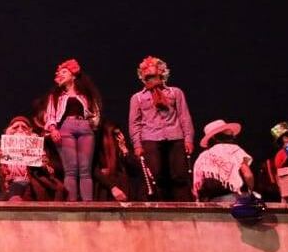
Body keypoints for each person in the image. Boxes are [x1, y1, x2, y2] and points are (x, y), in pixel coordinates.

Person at [128, 55, 194, 201]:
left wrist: (188, 139)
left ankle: (182, 207)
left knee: (179, 174)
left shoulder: (175, 92)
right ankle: (157, 209)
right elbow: (134, 123)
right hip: (150, 138)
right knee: (155, 174)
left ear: (161, 73)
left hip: (175, 136)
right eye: (146, 73)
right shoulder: (137, 98)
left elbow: (184, 116)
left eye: (152, 72)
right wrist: (137, 144)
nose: (149, 76)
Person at [42, 58, 102, 201]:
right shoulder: (56, 97)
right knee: (71, 169)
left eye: (64, 72)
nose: (60, 75)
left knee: (85, 169)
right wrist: (53, 129)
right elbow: (50, 115)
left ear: (73, 75)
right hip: (66, 129)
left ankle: (88, 205)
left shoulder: (86, 95)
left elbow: (96, 113)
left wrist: (92, 123)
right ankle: (72, 205)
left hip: (85, 128)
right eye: (59, 73)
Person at [0, 115, 65, 201]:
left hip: (33, 185)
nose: (20, 129)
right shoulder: (2, 150)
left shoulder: (37, 149)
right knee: (17, 186)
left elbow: (50, 173)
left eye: (24, 127)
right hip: (10, 186)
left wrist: (44, 165)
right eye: (16, 127)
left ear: (30, 131)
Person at [192, 119, 254, 205]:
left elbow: (198, 185)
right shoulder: (234, 150)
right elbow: (248, 175)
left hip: (212, 203)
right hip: (237, 200)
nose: (232, 136)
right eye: (228, 133)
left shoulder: (202, 157)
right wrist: (250, 191)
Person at [93, 119, 143, 201]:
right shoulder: (99, 150)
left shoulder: (120, 149)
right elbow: (95, 171)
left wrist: (124, 149)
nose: (119, 137)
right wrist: (112, 187)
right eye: (115, 135)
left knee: (122, 178)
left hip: (122, 186)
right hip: (107, 187)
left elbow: (136, 169)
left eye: (119, 134)